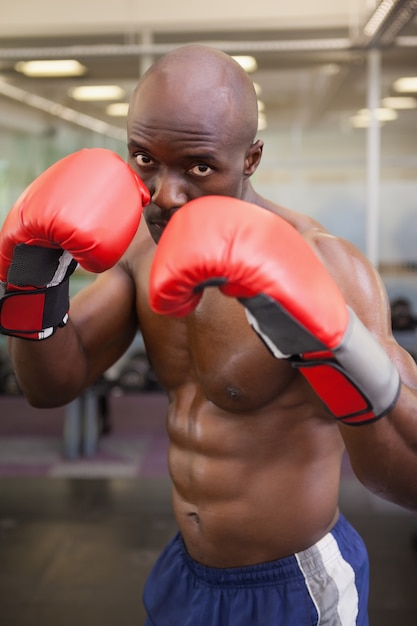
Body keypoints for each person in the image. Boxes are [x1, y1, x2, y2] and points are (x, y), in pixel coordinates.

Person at [1, 44, 417, 626]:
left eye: (198, 166)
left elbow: (407, 473)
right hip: (186, 574)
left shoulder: (325, 263)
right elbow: (51, 385)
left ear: (250, 159)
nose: (164, 194)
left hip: (296, 583)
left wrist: (337, 345)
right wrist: (34, 276)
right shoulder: (142, 254)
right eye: (144, 158)